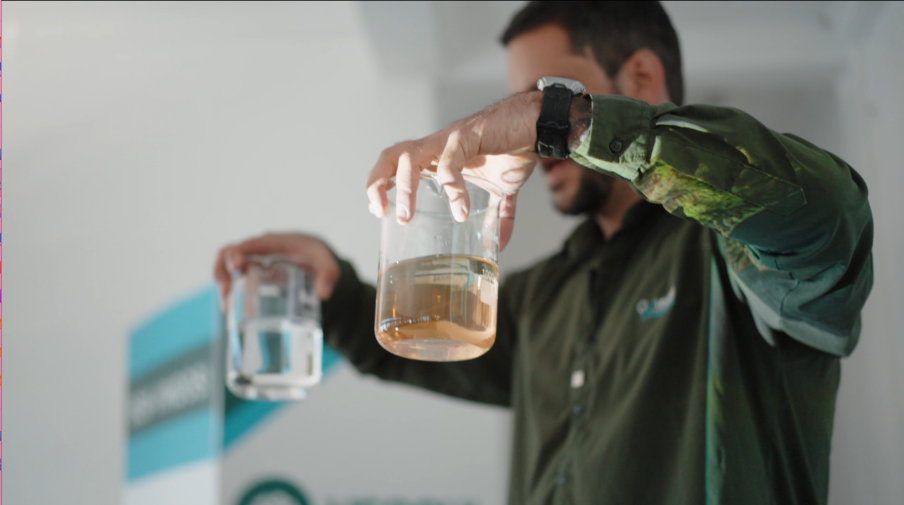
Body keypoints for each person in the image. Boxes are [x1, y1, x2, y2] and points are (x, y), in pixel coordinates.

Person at [213, 2, 873, 504]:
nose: (525, 127)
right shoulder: (544, 294)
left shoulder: (736, 259)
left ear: (641, 76)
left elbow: (827, 215)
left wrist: (559, 120)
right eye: (522, 99)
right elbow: (416, 333)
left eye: (545, 90)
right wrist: (334, 288)